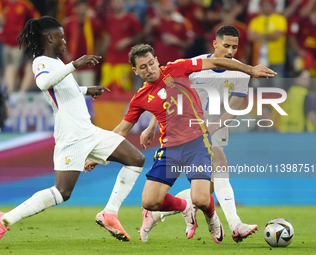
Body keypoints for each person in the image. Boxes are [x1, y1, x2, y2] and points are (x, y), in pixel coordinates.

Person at [88, 43, 274, 243]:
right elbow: (120, 131)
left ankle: (212, 216)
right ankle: (185, 208)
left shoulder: (178, 68)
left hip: (197, 144)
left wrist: (250, 70)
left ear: (157, 60)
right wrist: (97, 156)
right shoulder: (140, 98)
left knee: (201, 199)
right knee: (149, 202)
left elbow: (216, 61)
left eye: (151, 63)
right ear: (135, 71)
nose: (150, 69)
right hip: (169, 149)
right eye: (143, 67)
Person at [0, 16, 145, 248]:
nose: (64, 41)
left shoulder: (57, 63)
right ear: (50, 38)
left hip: (87, 131)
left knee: (136, 159)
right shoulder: (41, 61)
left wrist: (85, 89)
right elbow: (43, 84)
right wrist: (75, 65)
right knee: (62, 193)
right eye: (61, 36)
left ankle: (109, 213)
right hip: (71, 135)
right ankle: (5, 219)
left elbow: (62, 88)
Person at [139, 25, 259, 243]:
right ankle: (235, 225)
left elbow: (234, 107)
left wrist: (214, 127)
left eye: (234, 47)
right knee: (220, 163)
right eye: (226, 46)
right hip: (186, 127)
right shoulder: (196, 66)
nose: (230, 51)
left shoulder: (241, 70)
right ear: (215, 44)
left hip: (215, 126)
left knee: (205, 192)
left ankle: (155, 213)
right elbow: (169, 98)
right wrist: (151, 126)